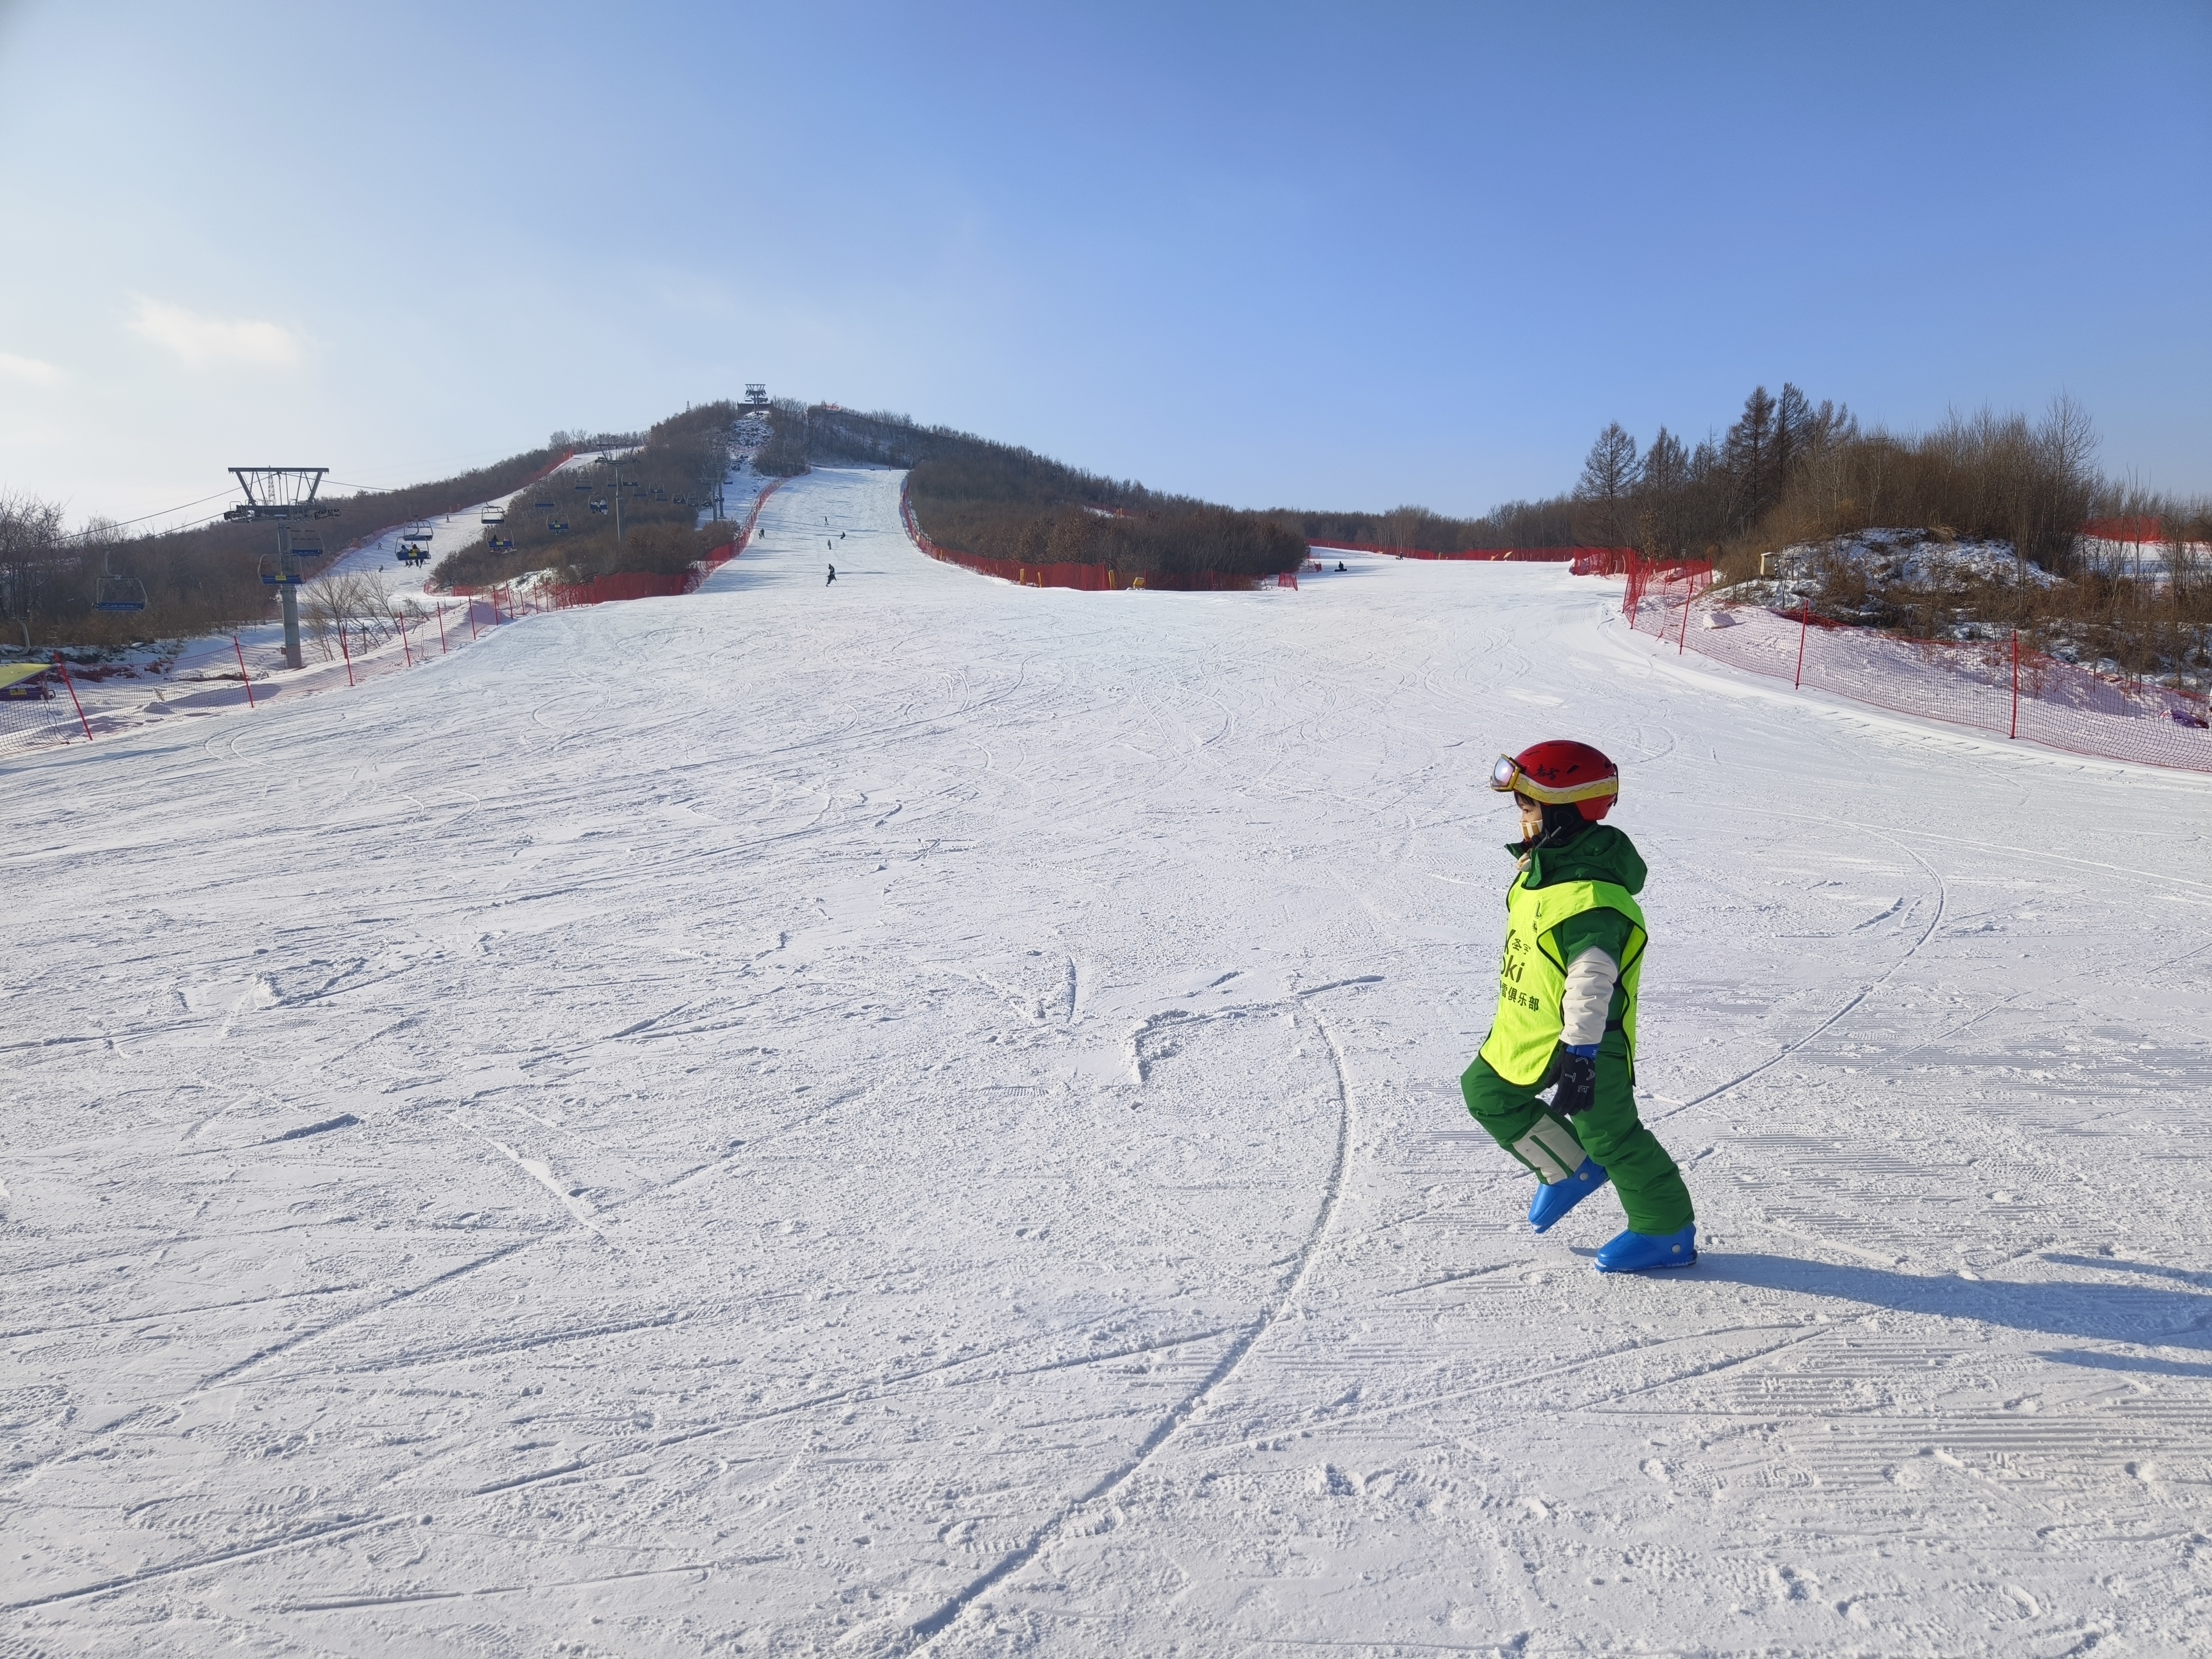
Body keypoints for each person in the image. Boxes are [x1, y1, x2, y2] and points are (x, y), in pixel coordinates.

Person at [1460, 740, 1697, 1272]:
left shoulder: (1591, 900)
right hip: (1531, 1025)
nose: (1521, 820)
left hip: (1590, 1037)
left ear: (1562, 812)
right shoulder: (1541, 871)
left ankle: (1666, 1230)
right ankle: (1570, 1168)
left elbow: (1593, 982)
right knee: (1486, 1091)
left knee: (1609, 1133)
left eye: (1527, 807)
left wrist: (1583, 1054)